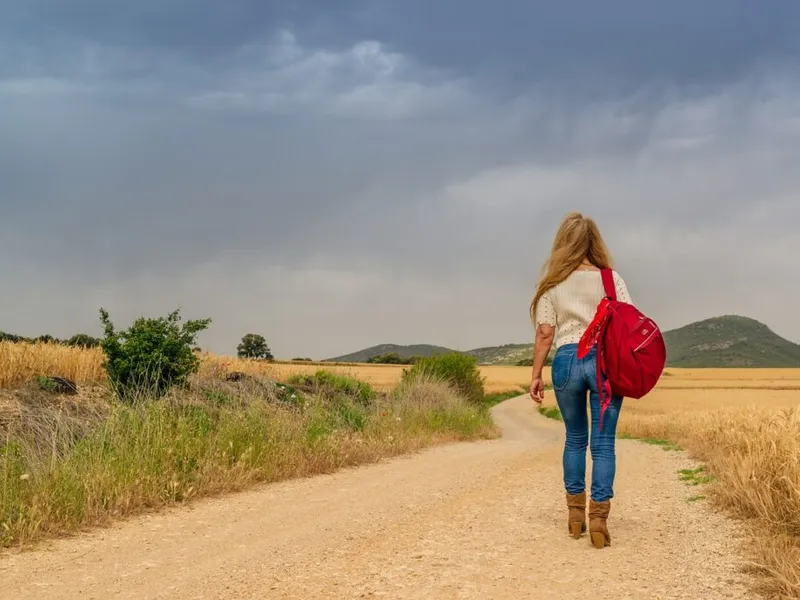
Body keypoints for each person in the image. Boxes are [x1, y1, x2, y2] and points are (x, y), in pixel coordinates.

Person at [528, 211, 633, 550]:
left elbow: (545, 334)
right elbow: (628, 323)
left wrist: (536, 374)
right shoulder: (611, 280)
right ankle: (599, 519)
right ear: (595, 243)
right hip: (604, 363)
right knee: (603, 445)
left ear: (563, 244)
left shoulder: (552, 284)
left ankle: (575, 516)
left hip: (567, 361)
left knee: (574, 438)